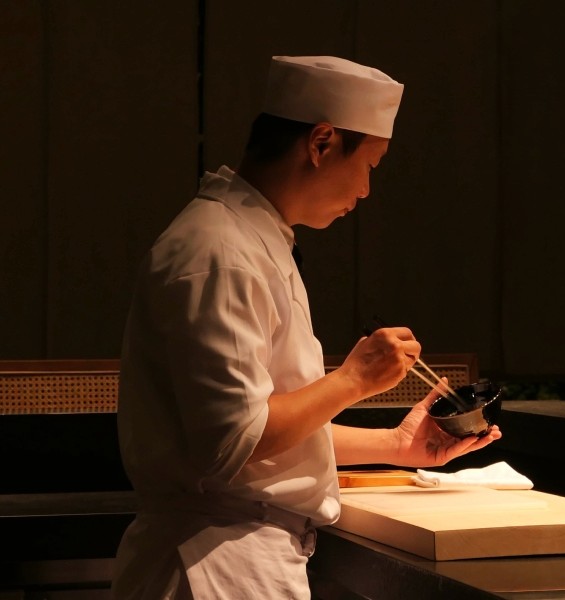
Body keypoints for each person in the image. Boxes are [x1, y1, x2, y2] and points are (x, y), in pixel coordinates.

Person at [112, 55, 501, 599]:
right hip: (215, 567)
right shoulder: (221, 249)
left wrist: (395, 445)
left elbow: (265, 426)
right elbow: (233, 441)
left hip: (238, 554)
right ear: (321, 143)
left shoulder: (251, 238)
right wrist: (354, 379)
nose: (366, 190)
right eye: (370, 165)